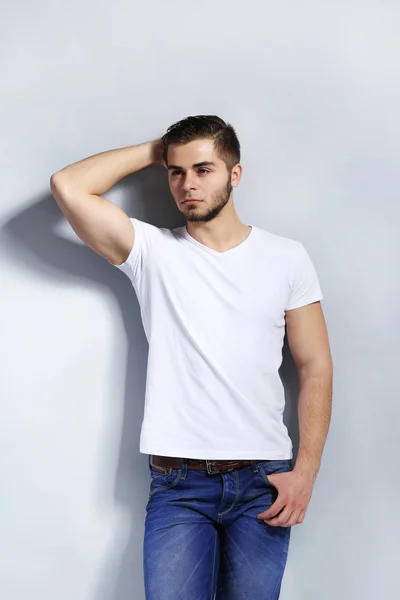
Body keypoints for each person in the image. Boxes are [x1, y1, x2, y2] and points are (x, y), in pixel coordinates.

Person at [50, 115, 333, 599]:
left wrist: (305, 471)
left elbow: (315, 366)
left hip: (262, 477)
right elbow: (68, 186)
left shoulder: (287, 257)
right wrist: (157, 150)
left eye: (204, 169)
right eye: (177, 172)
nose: (187, 184)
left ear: (234, 174)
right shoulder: (152, 252)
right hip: (178, 484)